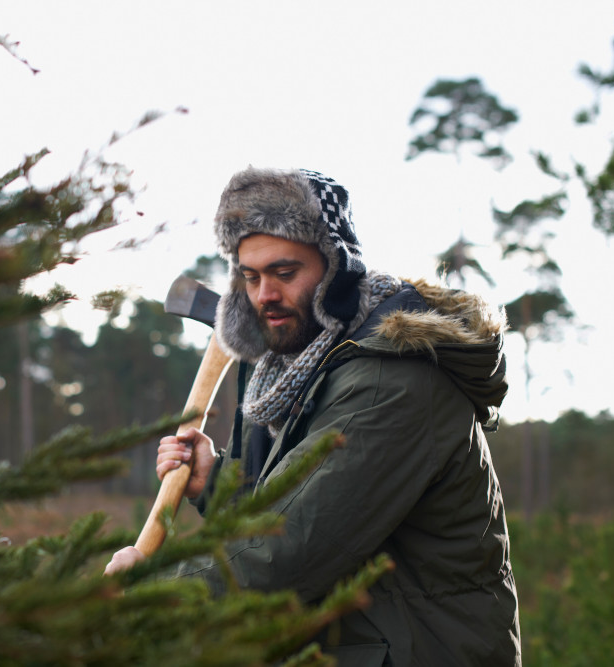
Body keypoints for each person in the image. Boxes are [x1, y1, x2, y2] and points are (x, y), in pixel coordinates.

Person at [106, 166, 521, 665]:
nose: (265, 296)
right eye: (251, 277)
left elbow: (284, 556)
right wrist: (214, 483)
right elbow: (293, 509)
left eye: (285, 273)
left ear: (337, 269)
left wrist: (153, 587)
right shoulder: (301, 371)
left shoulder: (390, 382)